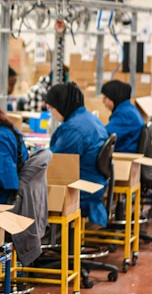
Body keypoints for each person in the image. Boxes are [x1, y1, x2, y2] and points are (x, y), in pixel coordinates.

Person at [45, 82, 109, 227]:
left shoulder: (73, 129)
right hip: (96, 182)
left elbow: (58, 163)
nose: (52, 113)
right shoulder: (90, 118)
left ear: (61, 105)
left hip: (83, 188)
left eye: (53, 108)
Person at [101, 80, 144, 152]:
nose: (103, 101)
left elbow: (106, 136)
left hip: (124, 154)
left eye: (105, 97)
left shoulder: (125, 114)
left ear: (113, 97)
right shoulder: (128, 109)